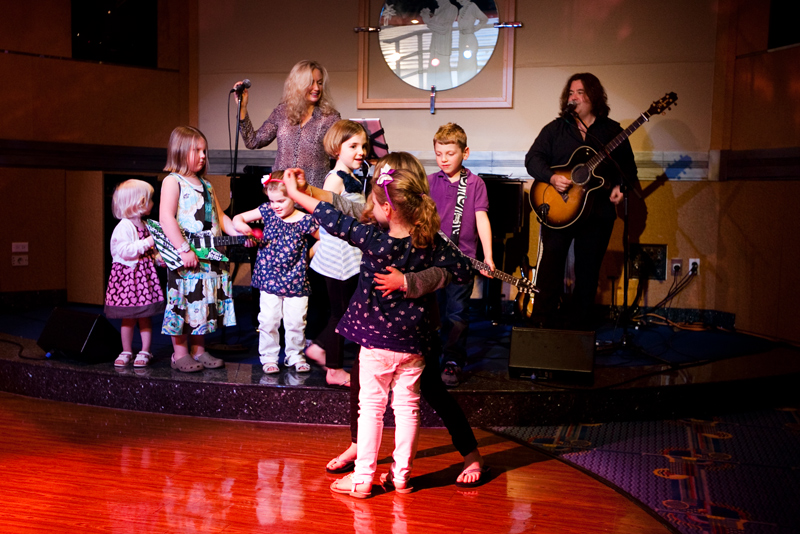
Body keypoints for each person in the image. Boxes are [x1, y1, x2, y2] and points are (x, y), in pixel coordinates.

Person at [285, 152, 489, 490]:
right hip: (396, 339)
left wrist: (410, 282)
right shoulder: (396, 231)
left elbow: (460, 268)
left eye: (381, 182)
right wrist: (307, 192)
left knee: (402, 400)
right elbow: (342, 210)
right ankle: (389, 469)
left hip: (413, 338)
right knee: (393, 404)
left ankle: (462, 455)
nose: (373, 192)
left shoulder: (400, 238)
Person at [524, 73, 638, 330]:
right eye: (571, 93)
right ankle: (541, 321)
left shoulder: (611, 132)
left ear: (593, 96)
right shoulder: (556, 129)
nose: (573, 98)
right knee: (551, 264)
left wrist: (621, 186)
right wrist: (552, 178)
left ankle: (579, 326)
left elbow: (628, 168)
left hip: (597, 212)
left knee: (588, 270)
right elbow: (532, 159)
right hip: (559, 208)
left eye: (580, 92)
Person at [159, 126, 245, 372]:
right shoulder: (172, 182)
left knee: (202, 303)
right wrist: (184, 249)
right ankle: (179, 354)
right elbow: (166, 218)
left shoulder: (207, 185)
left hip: (210, 257)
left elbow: (220, 217)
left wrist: (239, 233)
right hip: (187, 256)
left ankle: (199, 350)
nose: (203, 155)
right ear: (179, 152)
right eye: (196, 150)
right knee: (183, 303)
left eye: (204, 150)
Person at [232, 172, 319, 375]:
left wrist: (307, 256)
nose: (275, 205)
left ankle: (295, 355)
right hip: (269, 278)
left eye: (281, 200)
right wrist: (245, 230)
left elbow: (322, 239)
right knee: (269, 319)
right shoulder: (268, 212)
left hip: (295, 280)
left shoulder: (305, 219)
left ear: (294, 198)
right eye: (272, 201)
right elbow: (238, 218)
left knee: (296, 321)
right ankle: (269, 357)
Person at [428, 122, 494, 387]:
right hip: (432, 261)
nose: (444, 159)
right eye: (439, 154)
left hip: (463, 262)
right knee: (433, 313)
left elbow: (482, 219)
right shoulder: (430, 181)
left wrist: (487, 257)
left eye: (450, 153)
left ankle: (453, 361)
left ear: (465, 153)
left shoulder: (475, 183)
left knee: (457, 314)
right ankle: (429, 357)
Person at [304, 120, 369, 387]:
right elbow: (323, 214)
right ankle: (333, 368)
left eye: (363, 146)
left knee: (346, 311)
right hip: (339, 261)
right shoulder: (334, 180)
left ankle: (320, 347)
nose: (361, 151)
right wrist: (322, 241)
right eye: (353, 146)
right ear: (336, 149)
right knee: (340, 314)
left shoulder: (352, 178)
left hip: (350, 259)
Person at [236, 60, 341, 189]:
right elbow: (253, 142)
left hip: (313, 193)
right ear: (298, 85)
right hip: (282, 192)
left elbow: (339, 152)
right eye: (311, 83)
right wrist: (242, 108)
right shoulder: (281, 113)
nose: (316, 88)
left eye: (319, 83)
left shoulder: (330, 117)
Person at [104, 179, 165, 368]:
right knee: (128, 317)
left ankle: (145, 350)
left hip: (144, 279)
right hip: (129, 280)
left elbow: (148, 251)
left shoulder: (146, 225)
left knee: (145, 316)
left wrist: (157, 257)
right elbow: (124, 251)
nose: (153, 204)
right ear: (139, 203)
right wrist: (149, 242)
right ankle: (127, 350)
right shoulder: (123, 226)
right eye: (150, 200)